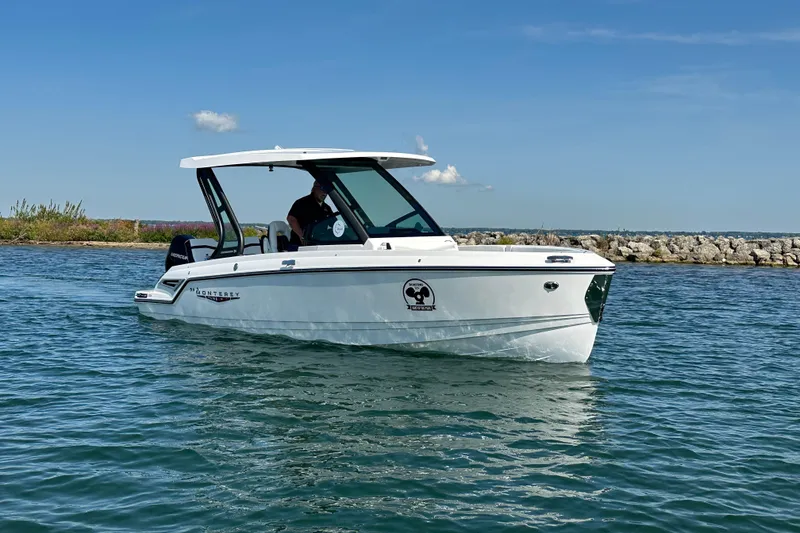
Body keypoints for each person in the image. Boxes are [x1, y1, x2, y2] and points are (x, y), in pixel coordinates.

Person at [287, 180, 333, 247]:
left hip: (319, 243)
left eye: (327, 190)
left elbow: (334, 223)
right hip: (299, 245)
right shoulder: (302, 203)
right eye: (322, 189)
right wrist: (302, 236)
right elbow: (291, 219)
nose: (325, 193)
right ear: (314, 188)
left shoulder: (326, 208)